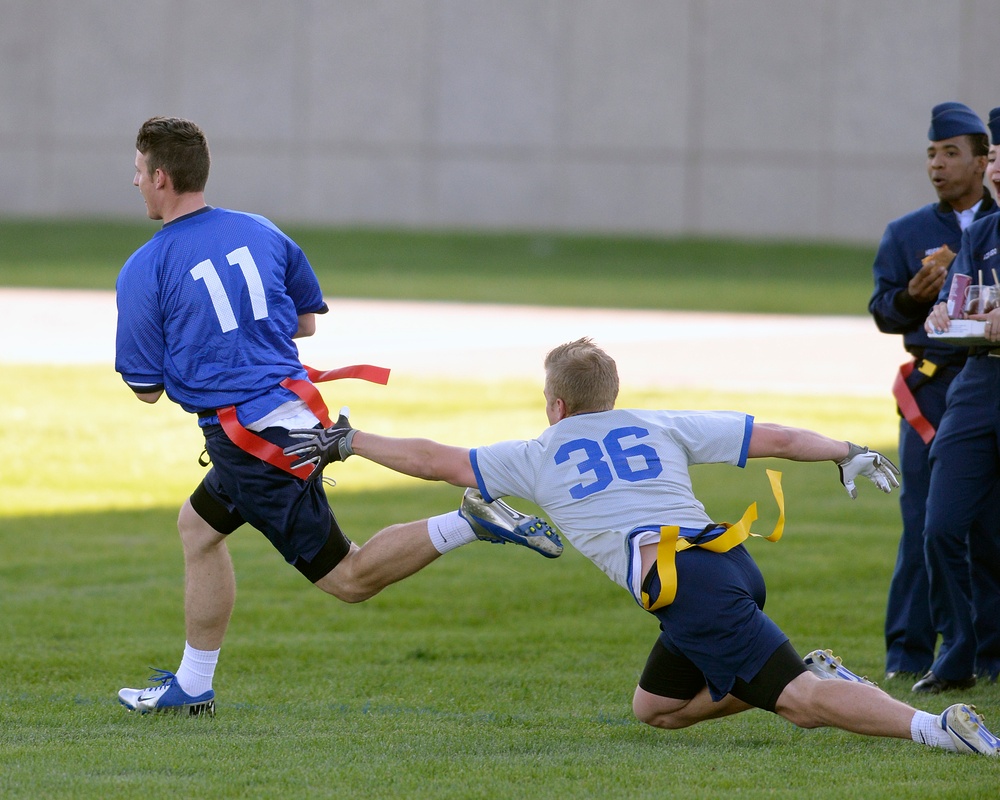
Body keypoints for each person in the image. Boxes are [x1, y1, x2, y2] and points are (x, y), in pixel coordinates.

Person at [283, 337, 999, 756]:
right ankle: (816, 670)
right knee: (655, 710)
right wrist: (845, 450)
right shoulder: (659, 425)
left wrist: (352, 440)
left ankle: (937, 729)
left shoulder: (539, 453)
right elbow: (776, 438)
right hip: (724, 566)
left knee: (800, 703)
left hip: (690, 588)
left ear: (554, 404)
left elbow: (435, 458)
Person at [114, 116, 563, 717]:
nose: (135, 180)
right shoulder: (261, 231)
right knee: (198, 530)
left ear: (162, 177)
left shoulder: (145, 266)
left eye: (139, 171)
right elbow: (304, 322)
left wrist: (200, 352)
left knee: (348, 579)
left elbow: (145, 388)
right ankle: (194, 685)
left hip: (253, 440)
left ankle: (469, 521)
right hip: (289, 410)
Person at [868, 101, 1000, 688]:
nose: (938, 165)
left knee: (990, 528)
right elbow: (891, 311)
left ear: (978, 162)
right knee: (929, 521)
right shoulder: (910, 231)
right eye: (931, 154)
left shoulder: (986, 224)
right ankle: (914, 651)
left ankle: (990, 653)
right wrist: (925, 299)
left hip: (980, 376)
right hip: (944, 383)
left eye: (952, 153)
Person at [921, 106, 1000, 694]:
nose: (996, 167)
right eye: (996, 157)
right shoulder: (982, 233)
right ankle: (958, 653)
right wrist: (943, 310)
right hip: (977, 382)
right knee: (943, 525)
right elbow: (960, 302)